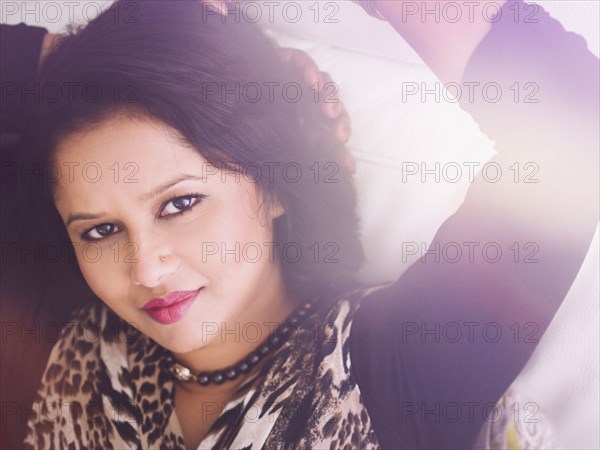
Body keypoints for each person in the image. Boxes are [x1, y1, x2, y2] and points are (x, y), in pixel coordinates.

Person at [14, 0, 600, 449]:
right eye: (99, 231)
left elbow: (576, 119)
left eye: (179, 204)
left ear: (272, 182)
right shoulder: (62, 320)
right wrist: (144, 50)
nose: (144, 267)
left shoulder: (394, 366)